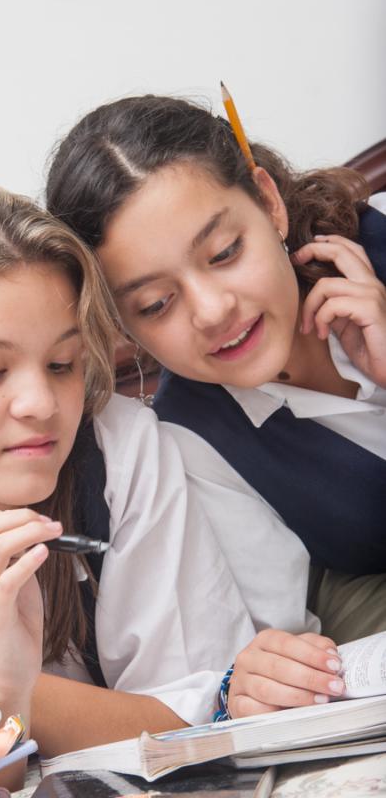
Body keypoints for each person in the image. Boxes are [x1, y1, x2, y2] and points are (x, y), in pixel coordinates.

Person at [0, 181, 342, 751]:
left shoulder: (117, 447)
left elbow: (199, 722)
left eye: (62, 364)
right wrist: (0, 689)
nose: (41, 404)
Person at [46, 94, 386, 719]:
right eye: (154, 304)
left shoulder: (380, 245)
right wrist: (260, 676)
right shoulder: (194, 438)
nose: (211, 310)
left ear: (268, 202)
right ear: (123, 327)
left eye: (225, 252)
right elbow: (287, 641)